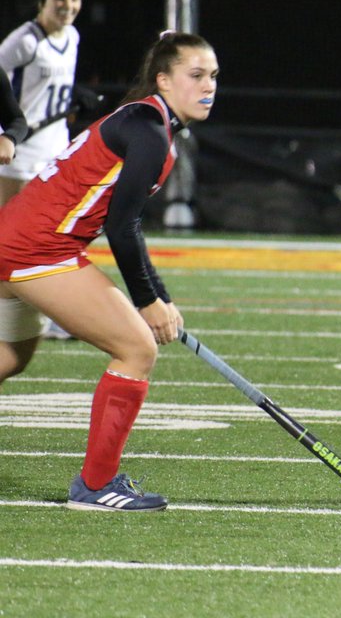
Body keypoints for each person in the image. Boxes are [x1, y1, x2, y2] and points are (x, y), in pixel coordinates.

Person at [0, 31, 218, 511]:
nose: (208, 87)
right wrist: (148, 302)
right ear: (163, 80)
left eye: (214, 77)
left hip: (20, 239)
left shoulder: (146, 123)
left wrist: (162, 296)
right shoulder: (149, 131)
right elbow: (123, 227)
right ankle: (96, 486)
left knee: (10, 358)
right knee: (136, 349)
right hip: (38, 248)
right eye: (196, 75)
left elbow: (124, 226)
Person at [0, 0, 94, 340]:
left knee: (52, 235)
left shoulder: (71, 36)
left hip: (55, 154)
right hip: (20, 154)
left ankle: (54, 312)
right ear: (44, 1)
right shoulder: (25, 41)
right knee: (9, 236)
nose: (68, 5)